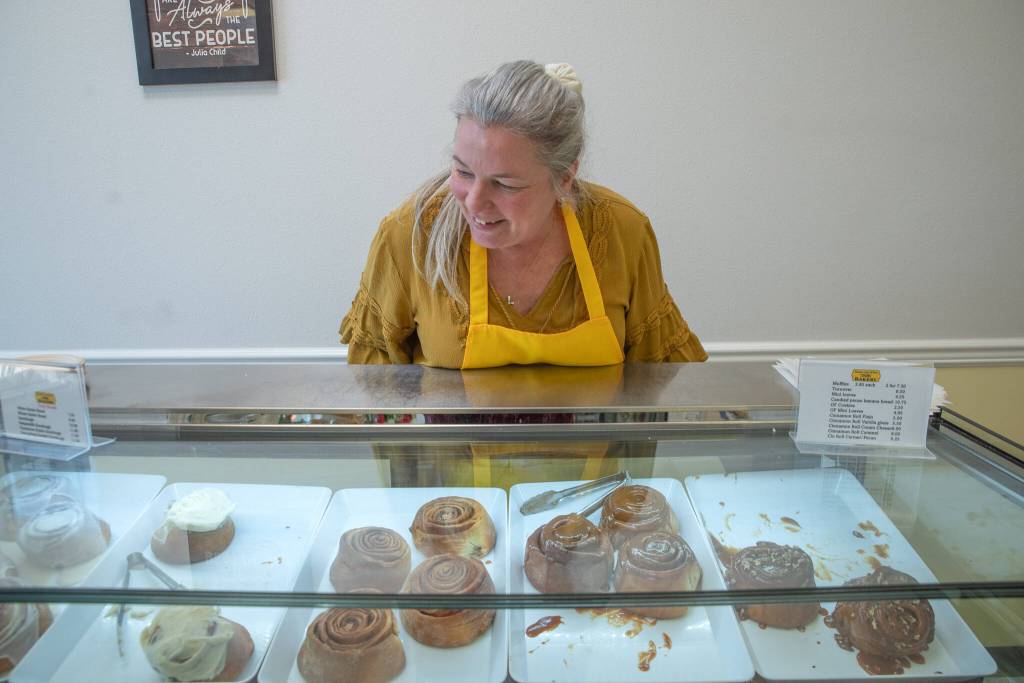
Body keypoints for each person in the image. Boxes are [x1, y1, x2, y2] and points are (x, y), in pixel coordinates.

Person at [340, 60, 706, 369]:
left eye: (504, 184)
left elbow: (666, 382)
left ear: (565, 176)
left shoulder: (623, 232)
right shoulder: (409, 236)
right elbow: (373, 391)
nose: (474, 202)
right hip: (452, 457)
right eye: (464, 172)